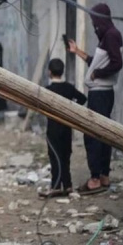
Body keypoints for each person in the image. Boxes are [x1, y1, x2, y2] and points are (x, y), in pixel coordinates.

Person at [67, 3, 123, 195]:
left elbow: (117, 63)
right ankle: (104, 176)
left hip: (100, 94)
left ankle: (95, 179)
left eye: (94, 20)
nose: (94, 25)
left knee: (93, 134)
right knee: (103, 133)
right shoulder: (109, 35)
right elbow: (97, 62)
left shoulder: (111, 35)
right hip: (101, 93)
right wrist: (77, 51)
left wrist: (97, 73)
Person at [40, 58, 86, 198]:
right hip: (66, 128)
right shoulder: (68, 88)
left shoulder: (48, 90)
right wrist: (71, 110)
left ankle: (55, 186)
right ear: (62, 71)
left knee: (55, 156)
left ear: (49, 72)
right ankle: (67, 185)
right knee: (66, 156)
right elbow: (82, 98)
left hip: (53, 129)